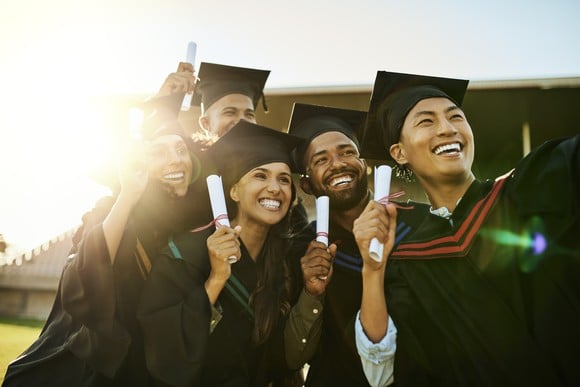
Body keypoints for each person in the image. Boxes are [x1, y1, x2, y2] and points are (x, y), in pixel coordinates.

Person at [357, 70, 580, 386]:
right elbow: (384, 375)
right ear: (399, 153)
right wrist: (372, 269)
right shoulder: (409, 264)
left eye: (456, 117)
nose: (447, 129)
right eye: (426, 121)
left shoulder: (536, 183)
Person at [3, 118, 203, 387]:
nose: (177, 160)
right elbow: (85, 275)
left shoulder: (191, 226)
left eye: (181, 150)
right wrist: (129, 195)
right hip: (93, 369)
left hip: (151, 369)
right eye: (159, 152)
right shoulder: (112, 211)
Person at [137, 120, 321, 386]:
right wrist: (216, 279)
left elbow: (286, 359)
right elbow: (165, 356)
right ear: (234, 190)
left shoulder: (287, 261)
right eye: (260, 175)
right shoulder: (183, 254)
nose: (274, 187)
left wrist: (312, 295)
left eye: (283, 179)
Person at [285, 103, 424, 386]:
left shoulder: (420, 223)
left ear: (365, 165)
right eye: (321, 159)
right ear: (307, 185)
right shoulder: (302, 249)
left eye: (348, 152)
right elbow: (294, 353)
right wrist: (311, 293)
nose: (338, 163)